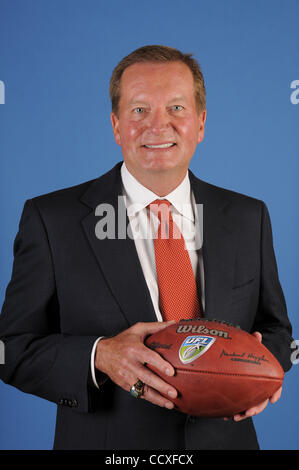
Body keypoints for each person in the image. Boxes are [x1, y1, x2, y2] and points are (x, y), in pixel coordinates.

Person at [0, 45, 293, 450]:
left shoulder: (247, 216)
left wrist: (264, 370)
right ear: (116, 126)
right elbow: (11, 348)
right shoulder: (53, 220)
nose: (159, 126)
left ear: (201, 123)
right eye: (139, 110)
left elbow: (277, 330)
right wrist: (100, 355)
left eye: (176, 108)